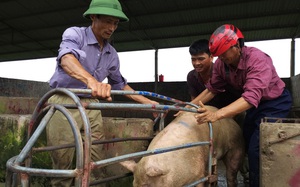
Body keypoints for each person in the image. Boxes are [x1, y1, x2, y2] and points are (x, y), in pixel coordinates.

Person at [46, 0, 158, 186]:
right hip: (64, 100)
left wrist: (149, 104)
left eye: (115, 23)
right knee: (62, 157)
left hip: (92, 105)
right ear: (93, 17)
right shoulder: (75, 34)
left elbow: (120, 85)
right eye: (107, 21)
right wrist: (91, 81)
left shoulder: (111, 53)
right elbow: (66, 59)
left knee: (95, 158)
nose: (112, 27)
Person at [192, 24, 292, 187]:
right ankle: (249, 172)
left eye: (224, 53)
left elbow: (251, 96)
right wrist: (188, 106)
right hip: (254, 105)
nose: (221, 58)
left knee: (257, 147)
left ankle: (258, 182)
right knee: (244, 138)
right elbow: (212, 89)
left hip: (275, 102)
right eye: (218, 55)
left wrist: (217, 114)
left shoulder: (258, 59)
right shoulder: (221, 64)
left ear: (237, 45)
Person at [187, 38, 249, 183]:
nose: (196, 63)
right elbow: (195, 100)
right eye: (193, 59)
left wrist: (227, 114)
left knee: (241, 139)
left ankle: (245, 168)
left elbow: (238, 96)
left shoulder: (223, 69)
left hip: (233, 111)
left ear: (211, 56)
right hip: (209, 113)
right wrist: (187, 108)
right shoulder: (192, 76)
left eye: (201, 59)